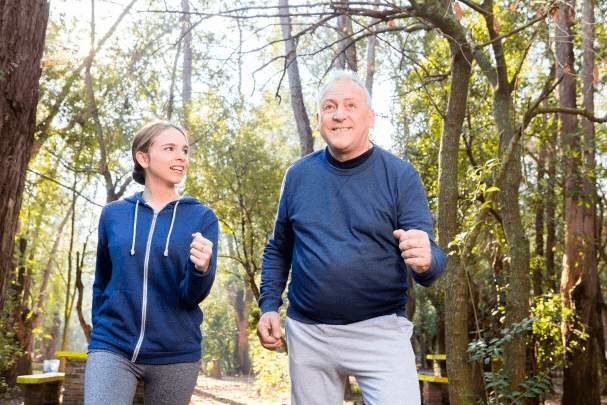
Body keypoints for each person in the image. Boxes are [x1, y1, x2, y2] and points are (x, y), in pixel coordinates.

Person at [256, 69, 446, 405]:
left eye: (350, 106)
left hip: (381, 334)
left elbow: (430, 261)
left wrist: (427, 260)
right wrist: (269, 305)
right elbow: (278, 249)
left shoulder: (400, 176)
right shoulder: (298, 175)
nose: (339, 114)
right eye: (329, 107)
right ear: (319, 118)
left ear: (370, 117)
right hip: (309, 335)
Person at [84, 120, 218, 405]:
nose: (181, 156)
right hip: (113, 346)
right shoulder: (113, 215)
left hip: (175, 353)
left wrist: (201, 269)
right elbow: (102, 281)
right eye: (169, 148)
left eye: (184, 150)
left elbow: (193, 296)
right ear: (143, 158)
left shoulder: (201, 218)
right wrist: (100, 337)